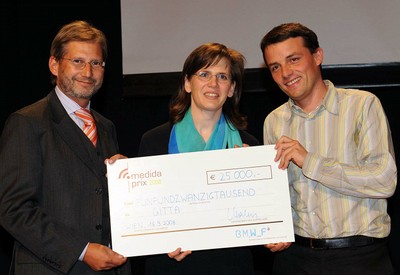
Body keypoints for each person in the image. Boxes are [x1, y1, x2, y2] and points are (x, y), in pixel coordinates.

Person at [260, 22, 397, 275]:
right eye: (275, 67)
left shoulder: (361, 106)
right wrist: (273, 228)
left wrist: (310, 161)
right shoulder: (274, 121)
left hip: (359, 259)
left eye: (293, 59)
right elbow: (280, 195)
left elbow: (384, 181)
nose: (286, 73)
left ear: (317, 56)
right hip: (295, 260)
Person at [0, 20, 131, 274]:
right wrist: (81, 250)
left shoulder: (106, 127)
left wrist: (126, 184)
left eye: (96, 63)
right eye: (78, 61)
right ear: (54, 65)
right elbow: (13, 210)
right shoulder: (27, 122)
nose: (88, 72)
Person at [137, 43, 259, 275]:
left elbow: (258, 219)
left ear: (231, 88)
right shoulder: (154, 141)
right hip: (171, 265)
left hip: (231, 266)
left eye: (222, 76)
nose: (213, 84)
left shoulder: (248, 147)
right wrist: (161, 242)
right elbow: (144, 216)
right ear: (187, 83)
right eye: (204, 74)